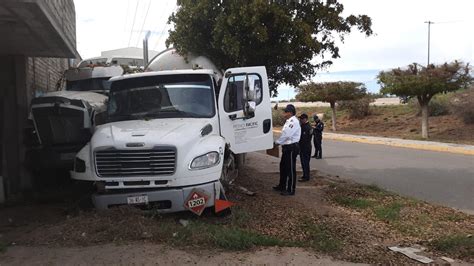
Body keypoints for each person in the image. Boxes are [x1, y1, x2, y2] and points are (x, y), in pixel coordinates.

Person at [273, 104, 301, 196]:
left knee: (290, 169)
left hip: (291, 147)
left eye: (285, 111)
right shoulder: (288, 121)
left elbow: (287, 135)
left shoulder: (293, 121)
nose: (284, 113)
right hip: (287, 147)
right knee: (283, 167)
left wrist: (277, 142)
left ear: (290, 112)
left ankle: (290, 189)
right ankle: (282, 185)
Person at [298, 113, 312, 182]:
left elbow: (304, 139)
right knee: (304, 162)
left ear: (305, 119)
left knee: (305, 162)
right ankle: (305, 175)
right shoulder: (304, 126)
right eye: (300, 118)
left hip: (305, 148)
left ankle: (306, 177)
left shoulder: (306, 127)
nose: (300, 120)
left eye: (302, 119)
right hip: (305, 147)